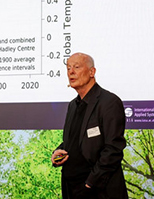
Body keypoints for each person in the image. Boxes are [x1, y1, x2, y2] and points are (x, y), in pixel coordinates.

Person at [51, 52, 128, 199]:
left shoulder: (109, 102)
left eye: (76, 67)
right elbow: (75, 141)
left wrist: (90, 183)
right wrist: (58, 152)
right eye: (68, 68)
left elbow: (113, 149)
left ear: (92, 72)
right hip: (71, 189)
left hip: (98, 190)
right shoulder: (72, 105)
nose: (71, 72)